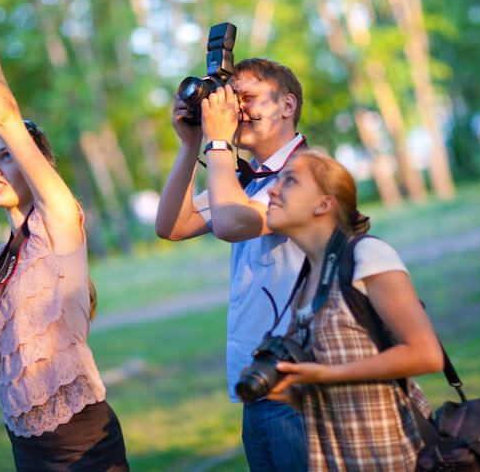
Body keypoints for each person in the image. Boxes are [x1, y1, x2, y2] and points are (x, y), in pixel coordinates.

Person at [0, 0, 128, 472]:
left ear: (35, 162)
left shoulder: (59, 221)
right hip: (25, 443)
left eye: (6, 156)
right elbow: (0, 367)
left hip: (84, 441)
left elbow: (3, 119)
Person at [155, 58, 308, 470]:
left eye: (248, 98)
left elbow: (231, 223)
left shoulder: (306, 174)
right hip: (256, 380)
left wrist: (217, 142)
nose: (236, 111)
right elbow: (172, 225)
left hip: (299, 386)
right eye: (231, 100)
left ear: (287, 105)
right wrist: (191, 145)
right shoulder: (249, 179)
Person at [263, 150, 444, 471]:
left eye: (289, 180)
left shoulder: (367, 255)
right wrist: (292, 392)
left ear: (324, 204)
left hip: (391, 454)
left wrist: (330, 375)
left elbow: (427, 355)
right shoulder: (306, 280)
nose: (273, 191)